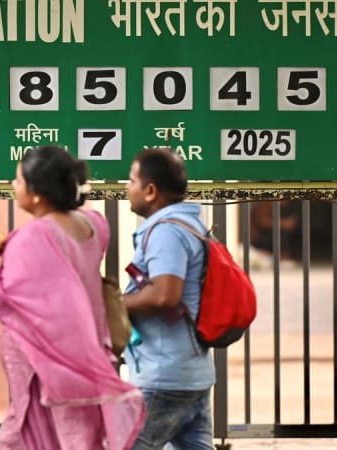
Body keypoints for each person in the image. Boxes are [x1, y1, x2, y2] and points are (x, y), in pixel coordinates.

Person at [0, 145, 146, 450]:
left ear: (37, 193)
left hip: (47, 362)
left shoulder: (34, 237)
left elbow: (2, 297)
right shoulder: (93, 224)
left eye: (19, 181)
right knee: (80, 435)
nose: (13, 186)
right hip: (84, 351)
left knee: (42, 433)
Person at [122, 148, 215, 450]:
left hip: (164, 376)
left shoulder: (166, 232)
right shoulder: (189, 225)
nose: (126, 187)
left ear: (150, 191)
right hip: (190, 374)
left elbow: (165, 294)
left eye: (131, 180)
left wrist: (113, 305)